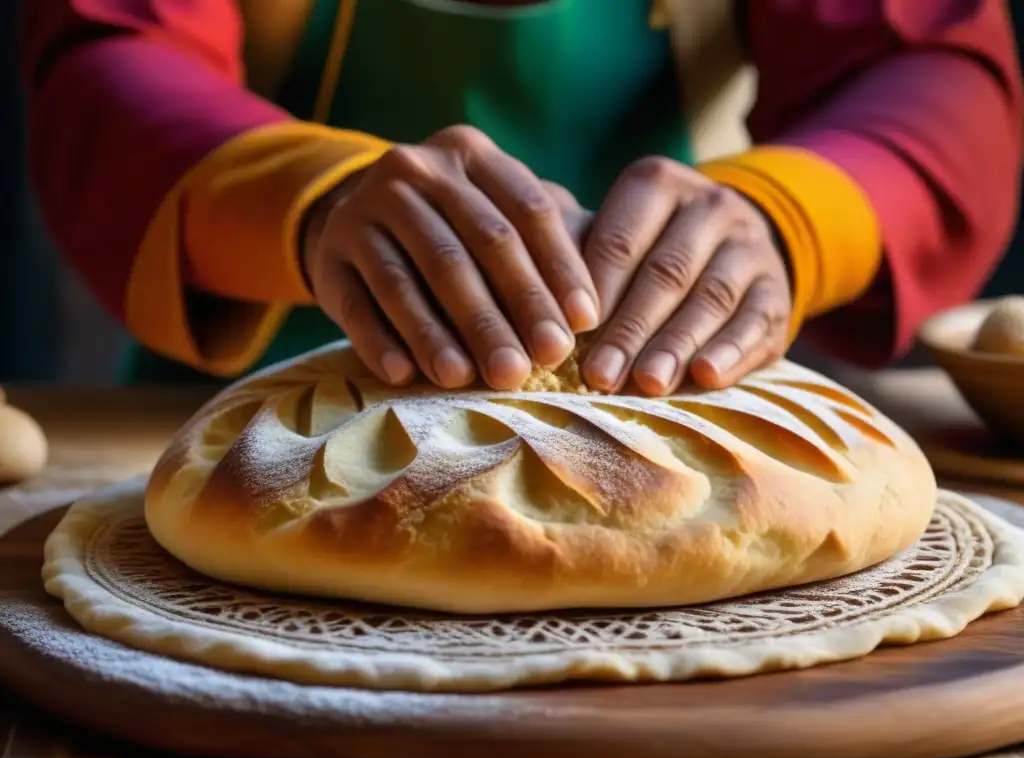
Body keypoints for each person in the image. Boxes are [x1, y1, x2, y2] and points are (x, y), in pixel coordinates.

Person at [19, 0, 1023, 395]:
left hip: (674, 400)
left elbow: (931, 68)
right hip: (248, 419)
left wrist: (784, 218)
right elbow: (111, 58)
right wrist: (315, 200)